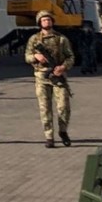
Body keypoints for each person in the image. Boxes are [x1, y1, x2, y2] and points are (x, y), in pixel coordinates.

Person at [25, 10, 76, 148]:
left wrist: (63, 67)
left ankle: (63, 131)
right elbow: (27, 56)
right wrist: (35, 57)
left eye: (48, 20)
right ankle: (49, 136)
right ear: (39, 23)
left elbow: (70, 57)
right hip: (41, 77)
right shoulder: (34, 39)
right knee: (45, 108)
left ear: (52, 22)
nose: (46, 22)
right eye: (43, 20)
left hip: (58, 76)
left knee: (64, 107)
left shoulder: (61, 39)